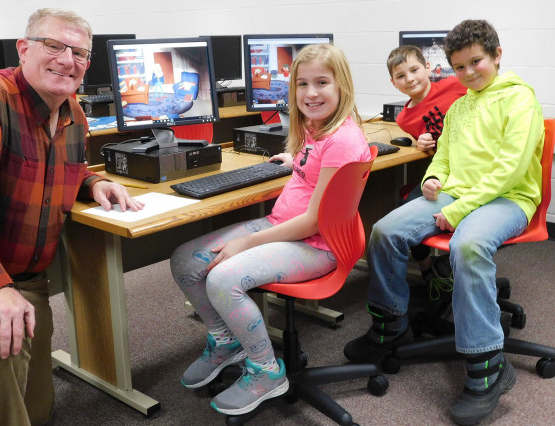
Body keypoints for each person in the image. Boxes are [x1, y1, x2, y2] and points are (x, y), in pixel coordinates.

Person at [344, 19, 544, 425]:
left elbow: (509, 170)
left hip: (507, 198)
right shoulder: (461, 105)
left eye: (476, 62)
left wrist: (458, 209)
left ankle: (488, 368)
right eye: (460, 67)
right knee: (385, 230)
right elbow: (445, 156)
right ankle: (390, 325)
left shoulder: (519, 99)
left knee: (467, 245)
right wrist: (433, 177)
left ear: (496, 56)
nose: (469, 73)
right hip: (456, 191)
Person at [0, 8, 144, 425]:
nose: (66, 59)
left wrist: (92, 183)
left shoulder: (74, 112)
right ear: (24, 48)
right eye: (54, 45)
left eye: (78, 52)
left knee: (38, 410)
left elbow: (65, 165)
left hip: (28, 277)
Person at [170, 43, 371, 416]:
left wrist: (246, 242)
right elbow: (319, 168)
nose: (310, 93)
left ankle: (265, 371)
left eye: (322, 82)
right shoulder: (319, 128)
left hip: (316, 244)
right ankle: (226, 341)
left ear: (342, 85)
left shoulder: (342, 139)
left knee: (220, 279)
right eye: (302, 84)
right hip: (284, 227)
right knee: (186, 260)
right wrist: (295, 160)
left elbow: (314, 220)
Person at [387, 44, 467, 300]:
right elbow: (432, 151)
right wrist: (422, 144)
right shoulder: (404, 119)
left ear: (428, 68)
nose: (409, 79)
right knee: (405, 208)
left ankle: (454, 265)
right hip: (444, 173)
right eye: (401, 76)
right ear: (394, 83)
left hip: (470, 168)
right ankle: (428, 272)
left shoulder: (455, 85)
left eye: (414, 70)